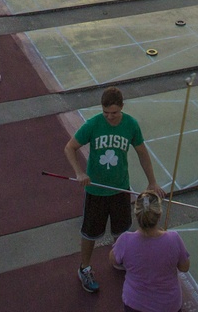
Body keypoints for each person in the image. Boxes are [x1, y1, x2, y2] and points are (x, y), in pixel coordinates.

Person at [65, 86, 162, 294]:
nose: (110, 117)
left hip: (120, 188)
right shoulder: (93, 125)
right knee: (90, 233)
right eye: (106, 112)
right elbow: (70, 147)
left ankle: (120, 259)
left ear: (122, 107)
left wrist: (152, 182)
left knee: (122, 231)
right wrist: (79, 173)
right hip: (96, 191)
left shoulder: (131, 125)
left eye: (114, 113)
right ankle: (84, 268)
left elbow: (142, 153)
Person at [110, 192, 191, 312]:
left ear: (136, 215)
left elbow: (114, 260)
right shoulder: (173, 238)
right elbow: (184, 267)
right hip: (169, 305)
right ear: (159, 215)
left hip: (135, 304)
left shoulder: (125, 240)